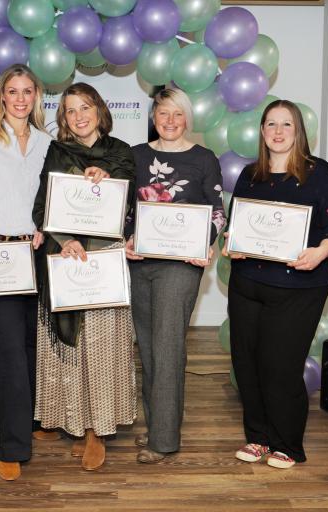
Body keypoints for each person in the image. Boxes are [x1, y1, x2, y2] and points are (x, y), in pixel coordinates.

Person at [221, 99, 328, 470]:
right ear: (261, 132)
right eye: (271, 124)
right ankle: (257, 437)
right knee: (247, 364)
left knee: (281, 367)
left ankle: (287, 444)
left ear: (298, 132)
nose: (277, 132)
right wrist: (232, 244)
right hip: (248, 284)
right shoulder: (250, 174)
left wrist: (321, 252)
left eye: (286, 125)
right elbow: (234, 225)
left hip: (298, 288)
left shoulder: (318, 173)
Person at [32, 82, 136, 472]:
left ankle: (97, 427)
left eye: (85, 107)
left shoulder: (120, 152)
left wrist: (105, 176)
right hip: (68, 255)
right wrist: (64, 239)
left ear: (99, 110)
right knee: (69, 347)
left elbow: (129, 197)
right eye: (71, 110)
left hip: (105, 258)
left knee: (100, 345)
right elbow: (42, 205)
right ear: (64, 118)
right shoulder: (56, 151)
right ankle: (73, 420)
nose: (79, 115)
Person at [124, 88, 225, 463]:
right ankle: (157, 427)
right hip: (140, 261)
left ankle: (163, 441)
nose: (169, 121)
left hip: (181, 266)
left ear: (187, 118)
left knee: (167, 347)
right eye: (163, 114)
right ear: (154, 116)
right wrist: (126, 239)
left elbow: (217, 211)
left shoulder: (203, 158)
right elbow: (124, 209)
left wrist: (206, 243)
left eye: (177, 115)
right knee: (149, 347)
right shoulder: (136, 156)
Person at [0, 64, 53, 482]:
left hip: (37, 253)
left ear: (36, 96)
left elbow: (50, 200)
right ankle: (13, 444)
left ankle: (34, 417)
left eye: (27, 91)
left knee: (36, 343)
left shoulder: (47, 142)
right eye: (12, 91)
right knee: (10, 349)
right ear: (1, 96)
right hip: (0, 255)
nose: (20, 98)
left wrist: (45, 229)